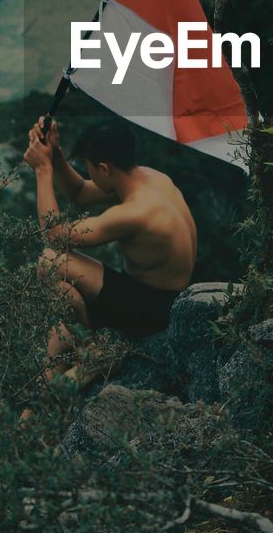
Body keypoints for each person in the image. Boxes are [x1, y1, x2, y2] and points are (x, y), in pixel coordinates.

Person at [22, 116, 196, 378]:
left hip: (152, 310)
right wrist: (55, 154)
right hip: (161, 294)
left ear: (104, 169)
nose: (88, 173)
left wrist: (42, 170)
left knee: (50, 261)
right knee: (59, 331)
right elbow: (79, 192)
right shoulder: (150, 178)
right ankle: (38, 407)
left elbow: (55, 237)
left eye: (89, 167)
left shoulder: (136, 212)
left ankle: (90, 347)